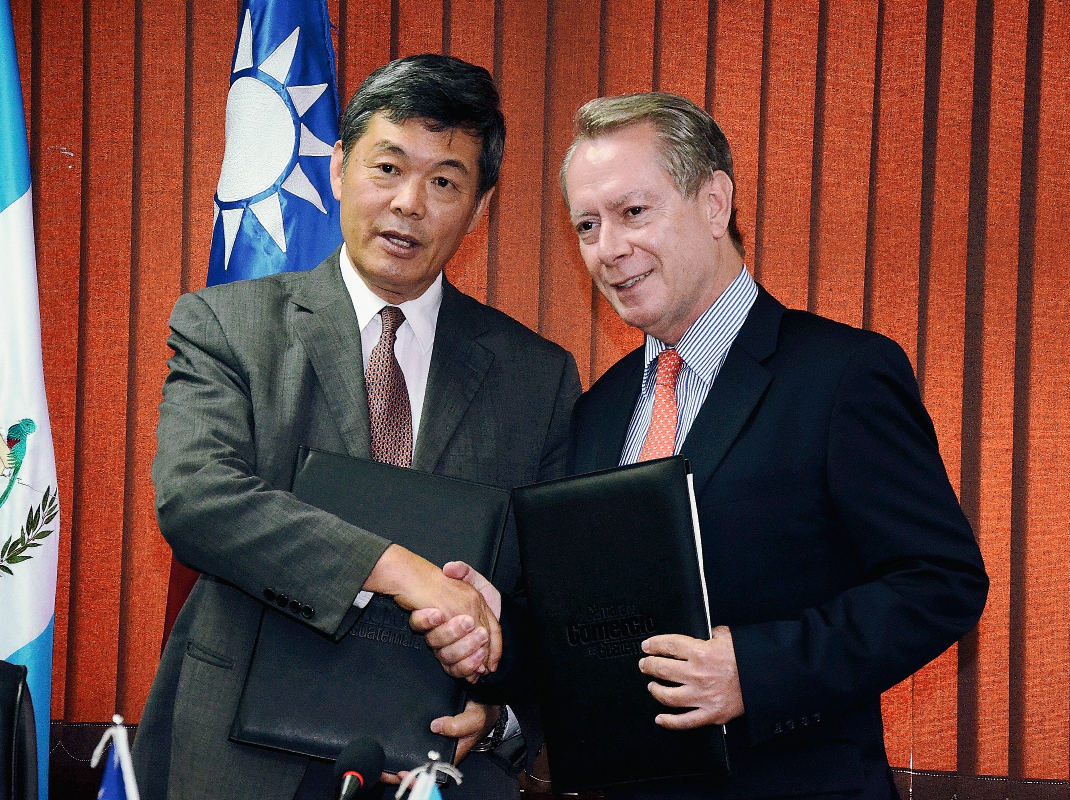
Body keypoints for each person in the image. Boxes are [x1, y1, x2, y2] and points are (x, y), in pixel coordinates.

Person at [420, 91, 988, 799]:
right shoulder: (596, 409)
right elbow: (594, 632)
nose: (608, 249)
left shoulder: (840, 374)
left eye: (634, 213)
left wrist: (755, 671)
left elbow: (941, 583)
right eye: (587, 225)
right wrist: (498, 628)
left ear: (715, 203)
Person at [131, 55, 581, 800]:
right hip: (239, 758)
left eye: (444, 181)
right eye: (388, 167)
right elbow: (197, 500)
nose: (409, 203)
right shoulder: (227, 325)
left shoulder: (536, 375)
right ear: (339, 167)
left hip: (444, 764)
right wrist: (403, 569)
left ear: (479, 205)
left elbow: (551, 592)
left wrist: (503, 706)